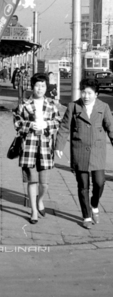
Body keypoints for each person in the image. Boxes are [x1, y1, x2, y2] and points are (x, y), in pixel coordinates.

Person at [55, 78, 113, 229]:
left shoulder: (104, 107)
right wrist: (59, 146)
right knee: (83, 185)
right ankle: (86, 216)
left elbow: (111, 128)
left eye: (89, 93)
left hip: (98, 152)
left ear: (96, 94)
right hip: (79, 151)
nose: (86, 96)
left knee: (100, 183)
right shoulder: (73, 106)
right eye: (83, 92)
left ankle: (94, 204)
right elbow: (64, 128)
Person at [13, 73, 62, 224]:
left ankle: (40, 200)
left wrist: (47, 124)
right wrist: (29, 125)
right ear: (32, 87)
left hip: (46, 147)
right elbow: (16, 122)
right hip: (29, 146)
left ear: (46, 88)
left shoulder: (52, 105)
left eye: (43, 86)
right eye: (37, 85)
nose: (40, 89)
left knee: (44, 184)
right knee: (32, 181)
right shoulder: (24, 104)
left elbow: (58, 122)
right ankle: (33, 210)